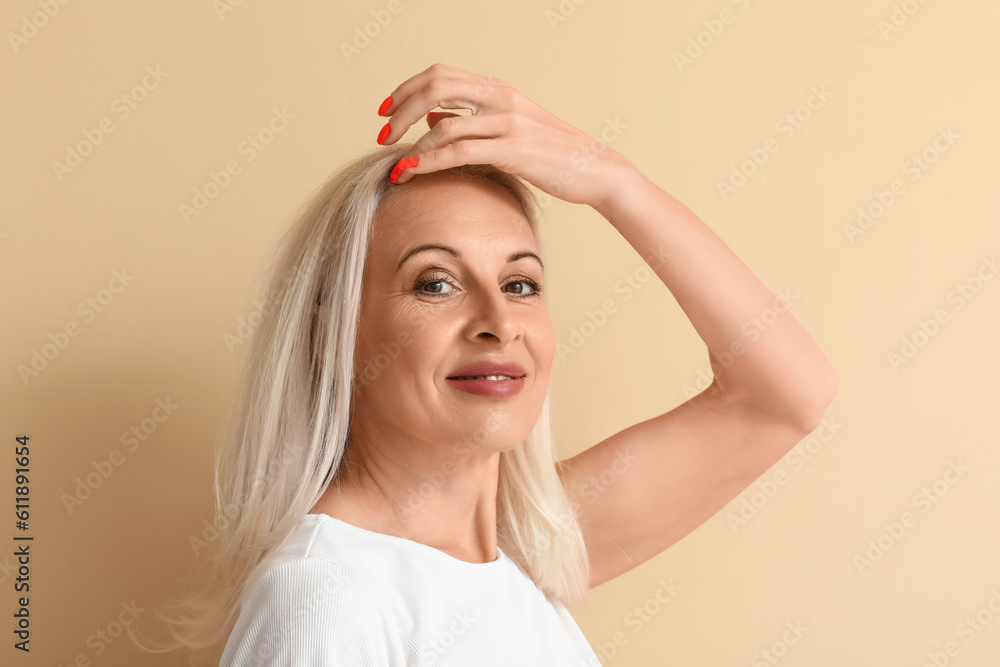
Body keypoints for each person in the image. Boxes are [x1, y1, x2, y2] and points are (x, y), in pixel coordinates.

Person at [131, 63, 837, 665]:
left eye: (521, 283)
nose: (499, 323)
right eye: (435, 282)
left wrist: (610, 180)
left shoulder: (524, 550)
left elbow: (785, 395)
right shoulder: (327, 597)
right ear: (332, 336)